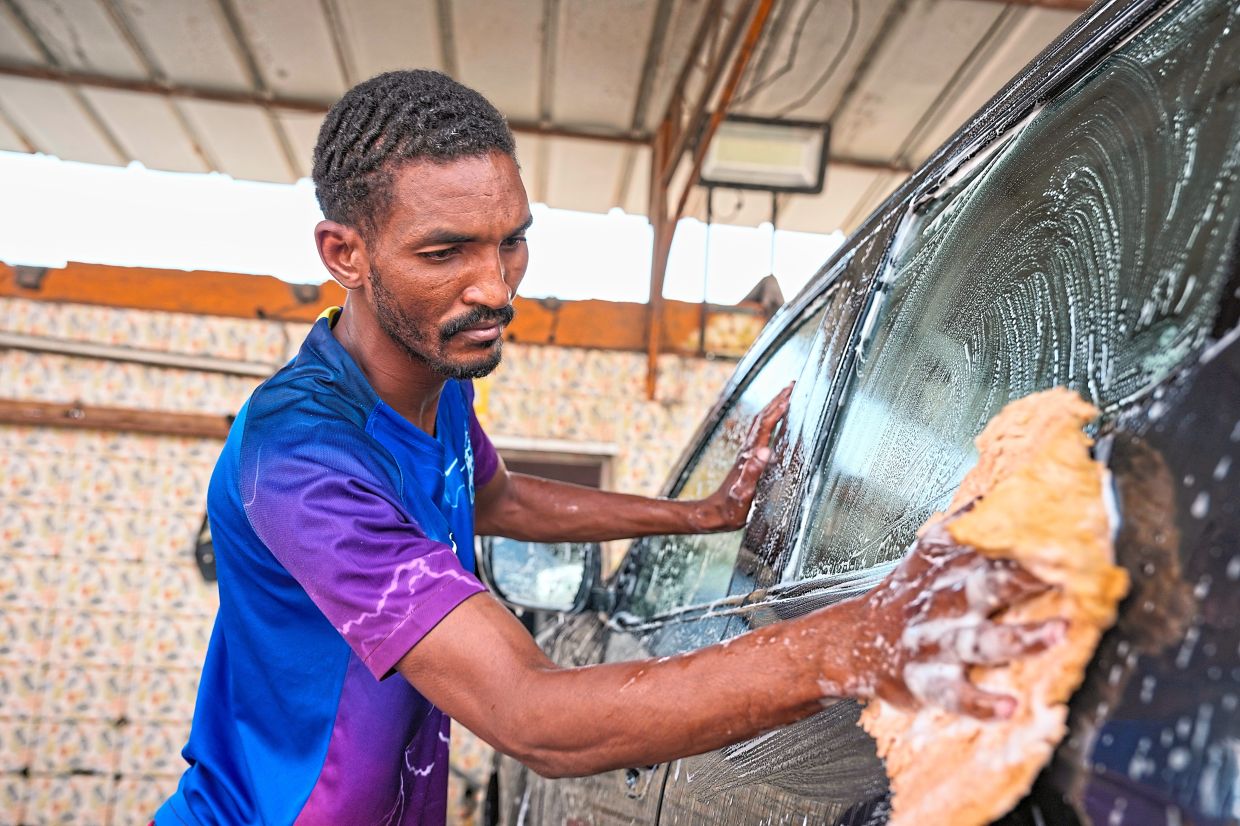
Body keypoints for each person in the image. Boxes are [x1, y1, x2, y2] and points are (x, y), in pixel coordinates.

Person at [156, 70, 1064, 825]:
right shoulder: (303, 460)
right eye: (446, 252)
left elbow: (497, 499)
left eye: (513, 243)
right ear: (344, 252)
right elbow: (531, 717)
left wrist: (704, 515)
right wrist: (858, 638)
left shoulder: (430, 375)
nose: (494, 287)